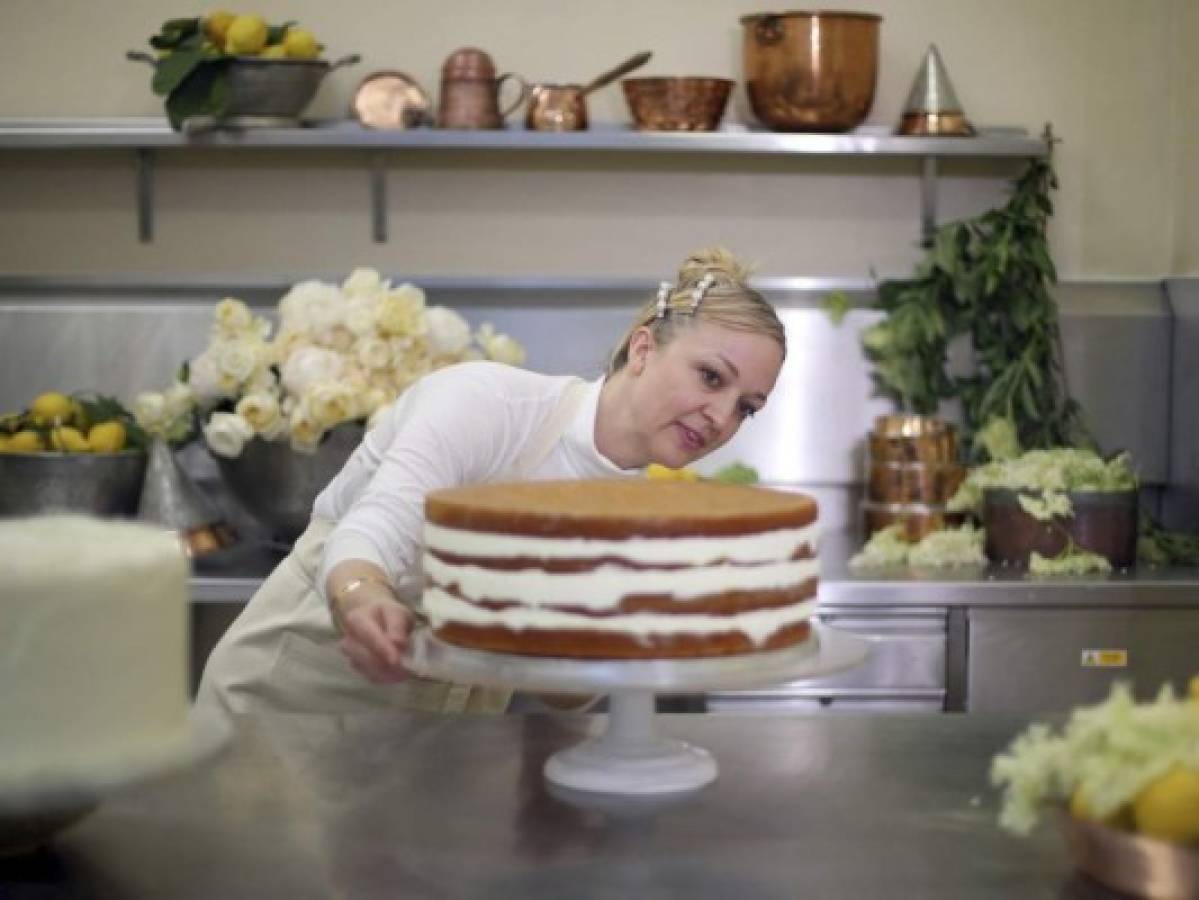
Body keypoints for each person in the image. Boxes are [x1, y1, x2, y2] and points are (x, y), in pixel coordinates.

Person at [193, 247, 788, 729]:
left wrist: (603, 660)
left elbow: (556, 696)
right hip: (289, 707)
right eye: (711, 377)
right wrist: (362, 597)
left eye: (747, 407)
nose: (720, 417)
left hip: (435, 751)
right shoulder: (490, 404)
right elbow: (376, 524)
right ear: (642, 349)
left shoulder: (638, 518)